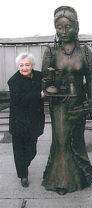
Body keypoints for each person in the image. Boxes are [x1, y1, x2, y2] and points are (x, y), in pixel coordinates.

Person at [41, 6, 92, 195]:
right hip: (58, 105)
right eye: (59, 27)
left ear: (76, 27)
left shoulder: (84, 51)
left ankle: (83, 176)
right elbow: (44, 81)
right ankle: (62, 181)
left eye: (68, 27)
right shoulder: (50, 50)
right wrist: (50, 91)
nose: (63, 32)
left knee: (77, 139)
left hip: (78, 103)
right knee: (62, 139)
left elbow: (90, 81)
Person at [7, 53, 45, 187]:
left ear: (32, 65)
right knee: (19, 150)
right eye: (21, 65)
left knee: (31, 150)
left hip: (34, 121)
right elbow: (19, 99)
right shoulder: (14, 81)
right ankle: (23, 175)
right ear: (18, 67)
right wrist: (39, 95)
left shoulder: (40, 76)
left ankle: (24, 163)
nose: (24, 68)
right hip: (19, 121)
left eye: (27, 65)